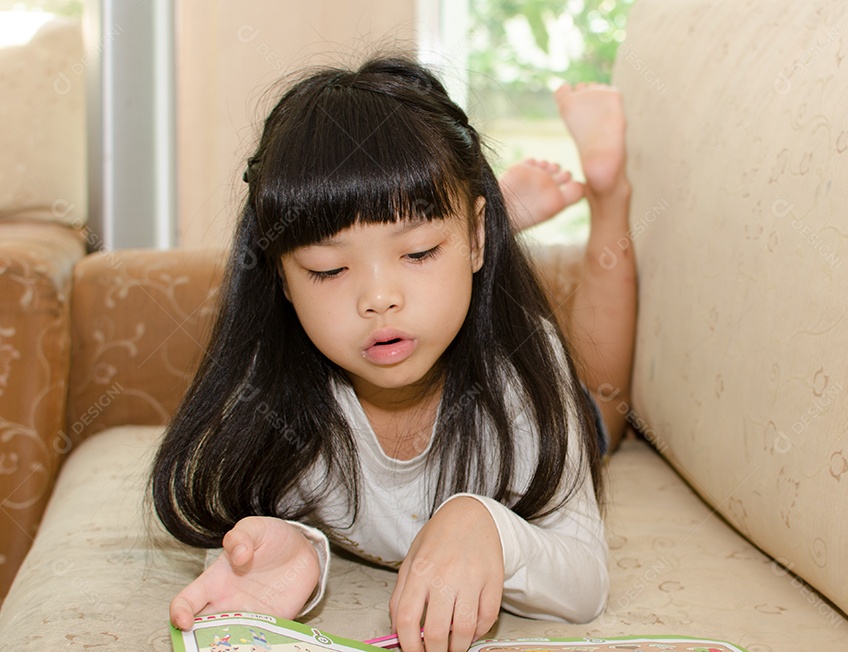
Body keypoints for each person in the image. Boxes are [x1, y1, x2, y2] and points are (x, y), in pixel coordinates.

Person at [151, 55, 636, 652]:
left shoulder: (523, 379)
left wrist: (486, 525)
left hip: (527, 382)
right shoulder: (272, 392)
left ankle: (606, 189)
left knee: (605, 411)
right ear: (280, 278)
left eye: (418, 254)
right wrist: (294, 551)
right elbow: (255, 530)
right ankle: (452, 230)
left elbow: (585, 580)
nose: (378, 300)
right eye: (329, 270)